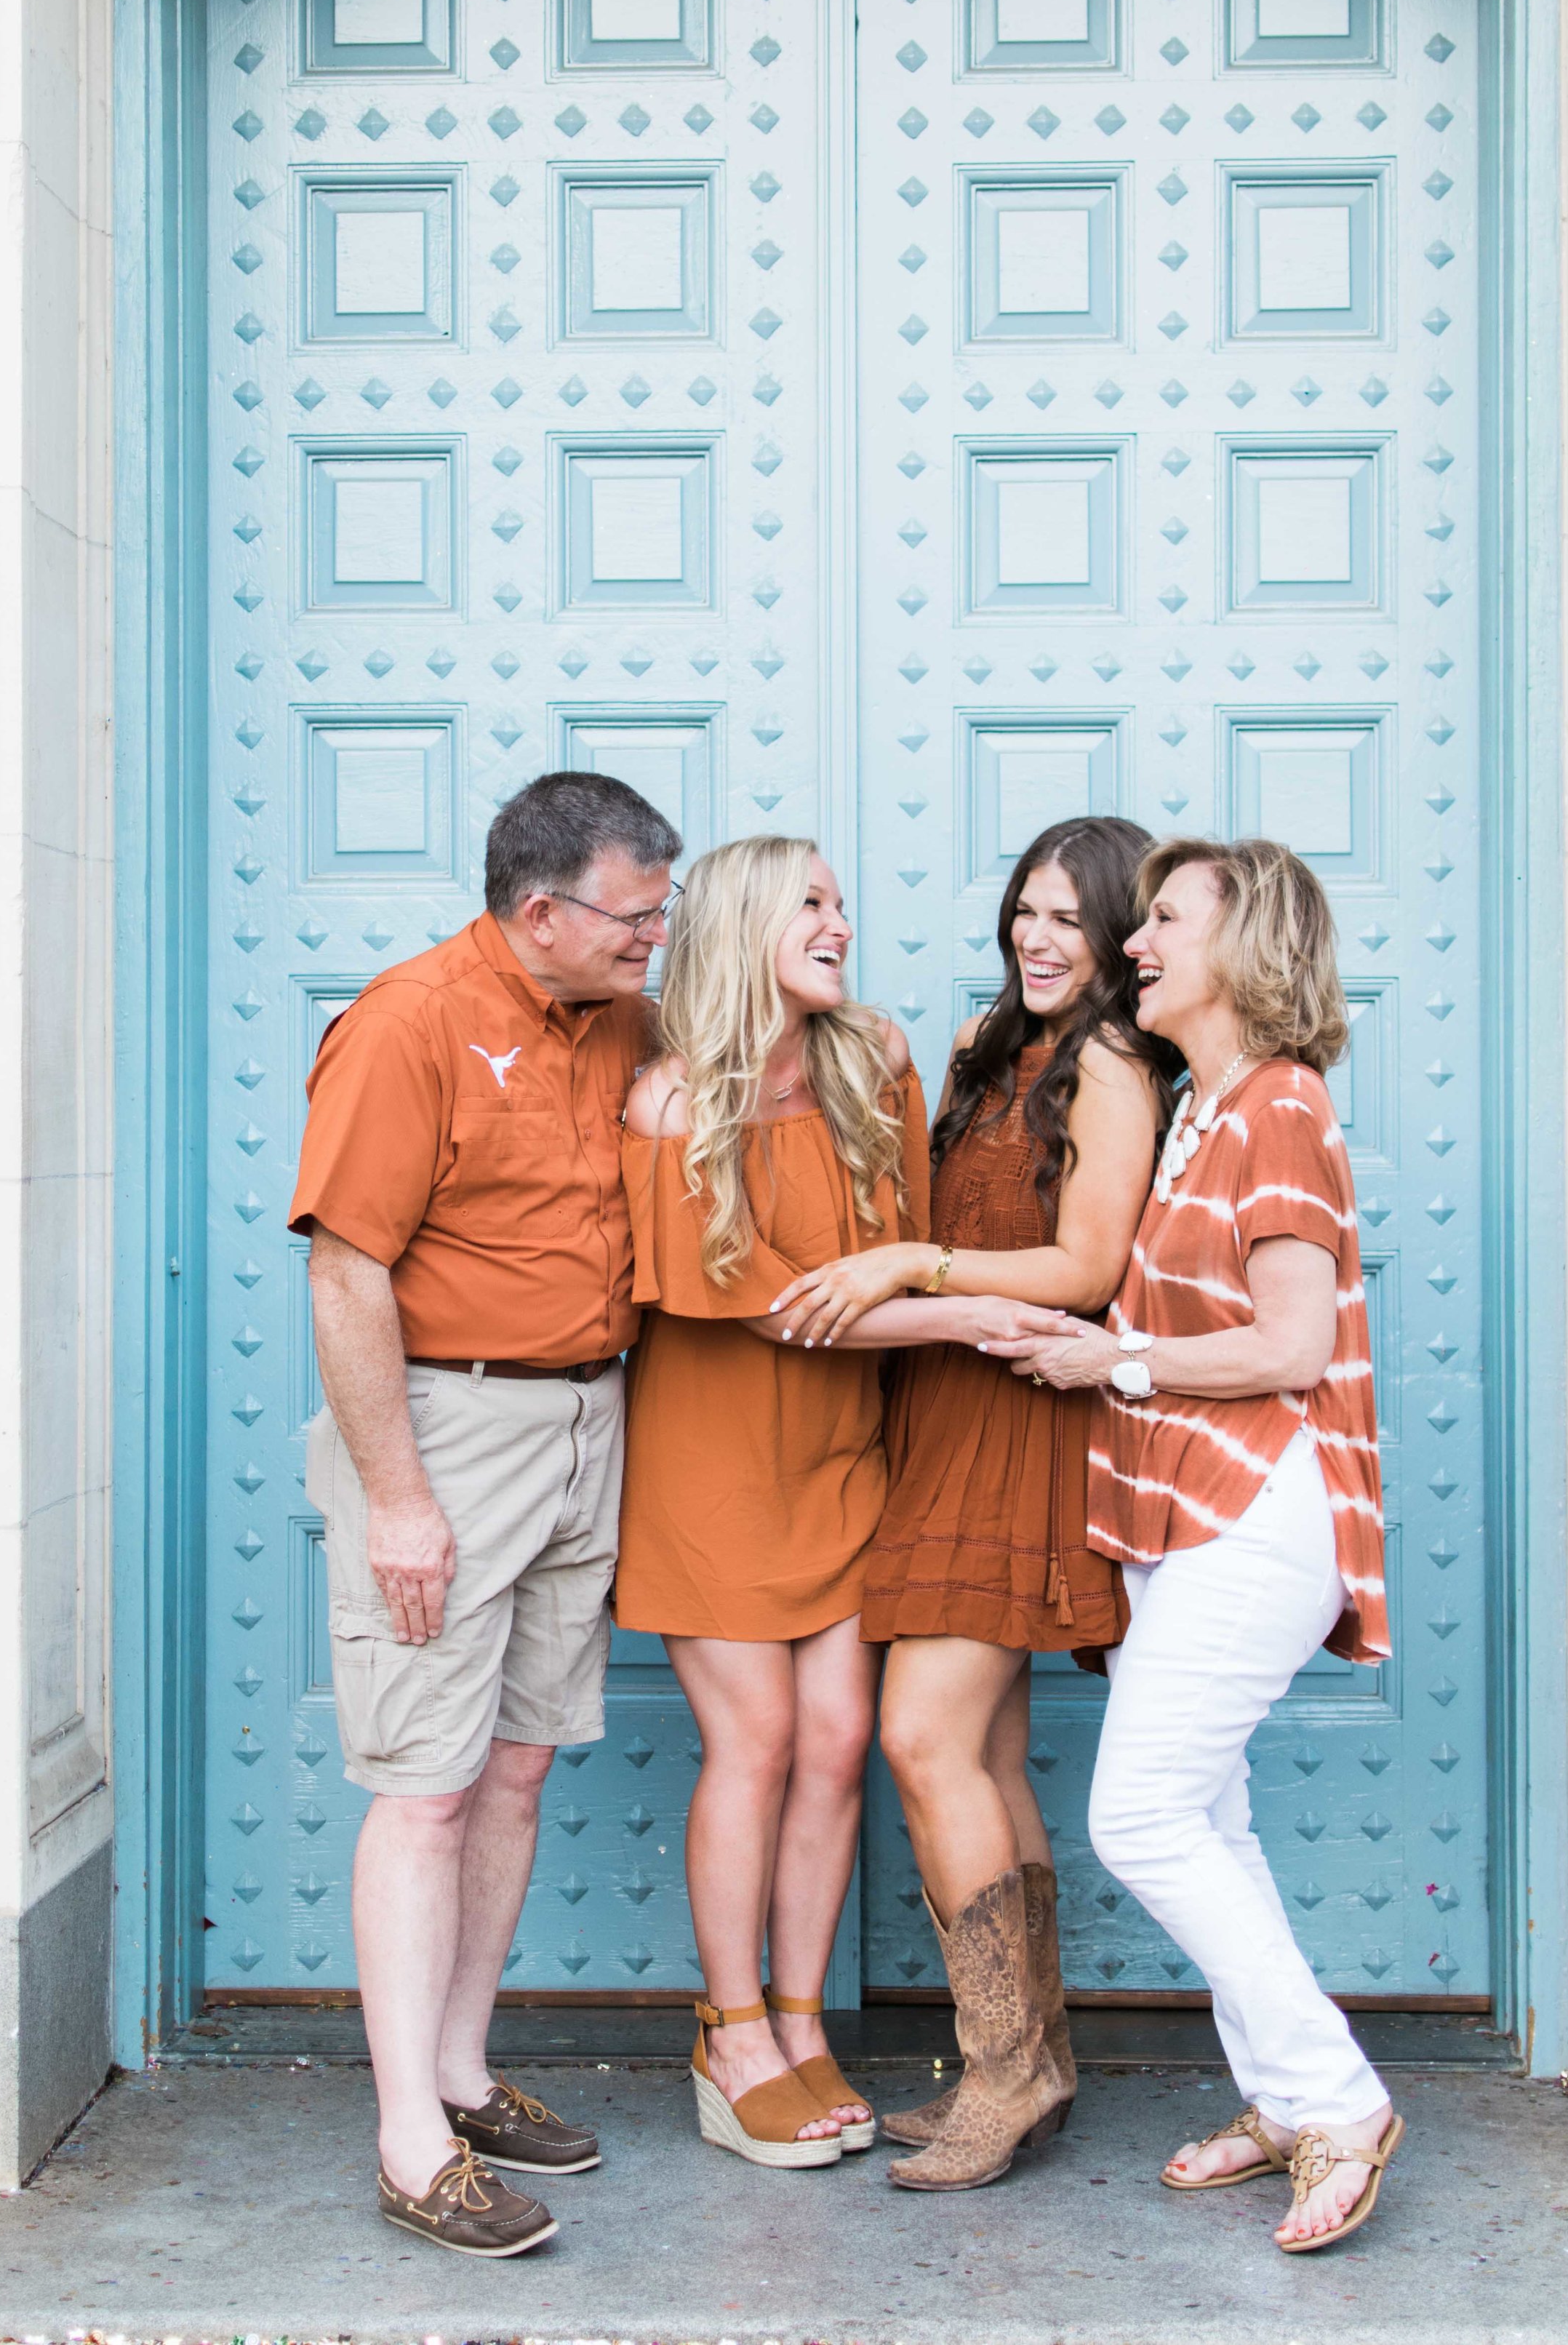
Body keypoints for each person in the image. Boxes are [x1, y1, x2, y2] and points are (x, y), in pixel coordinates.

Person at [988, 837, 1401, 2256]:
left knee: (1141, 1816)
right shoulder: (1205, 1109)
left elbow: (1289, 1342)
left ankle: (1337, 2100)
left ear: (1248, 951)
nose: (1135, 942)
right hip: (1194, 1511)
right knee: (1205, 1815)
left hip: (1257, 1510)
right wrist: (1096, 1348)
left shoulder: (1277, 1105)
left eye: (1165, 921)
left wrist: (1122, 1368)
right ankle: (1283, 2098)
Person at [617, 837, 1055, 2171]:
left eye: (841, 900)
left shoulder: (872, 1056)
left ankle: (802, 2026)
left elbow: (899, 1242)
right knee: (752, 1741)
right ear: (748, 923)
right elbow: (783, 1302)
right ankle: (729, 2029)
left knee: (840, 1733)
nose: (840, 922)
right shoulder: (674, 1100)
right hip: (715, 1462)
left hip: (848, 1452)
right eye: (811, 902)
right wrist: (980, 1309)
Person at [288, 771, 681, 2258]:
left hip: (592, 1413)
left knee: (515, 1768)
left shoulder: (621, 1014)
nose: (657, 939)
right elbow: (344, 1272)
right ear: (541, 913)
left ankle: (460, 2075)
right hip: (447, 1429)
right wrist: (398, 1499)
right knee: (427, 1785)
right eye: (636, 917)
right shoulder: (406, 1024)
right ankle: (407, 2144)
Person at [767, 816, 1175, 2191]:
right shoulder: (986, 1052)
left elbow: (1084, 1267)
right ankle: (1032, 2066)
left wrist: (913, 1262)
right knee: (987, 1752)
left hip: (1027, 1418)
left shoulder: (1114, 1063)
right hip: (946, 1414)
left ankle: (1002, 2070)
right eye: (1025, 912)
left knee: (923, 1734)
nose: (1038, 938)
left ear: (1123, 936)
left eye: (1069, 918)